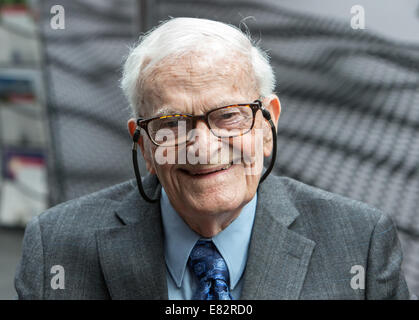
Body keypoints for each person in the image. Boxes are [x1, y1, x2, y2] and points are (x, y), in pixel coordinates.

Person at [15, 17, 410, 300]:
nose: (203, 147)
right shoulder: (57, 246)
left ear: (267, 123)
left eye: (228, 116)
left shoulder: (361, 241)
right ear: (144, 146)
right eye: (171, 123)